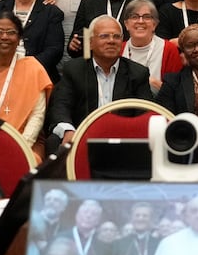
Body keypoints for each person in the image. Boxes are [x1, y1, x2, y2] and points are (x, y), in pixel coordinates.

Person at [46, 14, 155, 152]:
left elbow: (145, 113)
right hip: (81, 136)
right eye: (104, 36)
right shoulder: (74, 69)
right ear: (90, 42)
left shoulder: (137, 73)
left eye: (116, 37)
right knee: (54, 141)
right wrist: (68, 130)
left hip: (123, 139)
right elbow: (60, 107)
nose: (111, 41)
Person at [0, 11, 52, 154]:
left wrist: (20, 145)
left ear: (19, 39)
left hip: (26, 143)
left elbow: (37, 115)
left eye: (11, 32)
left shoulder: (33, 68)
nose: (4, 37)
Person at [121, 0, 181, 90]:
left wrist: (158, 86)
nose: (140, 21)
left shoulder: (169, 49)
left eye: (147, 17)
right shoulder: (118, 49)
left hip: (158, 103)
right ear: (126, 24)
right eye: (134, 17)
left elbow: (176, 92)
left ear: (155, 24)